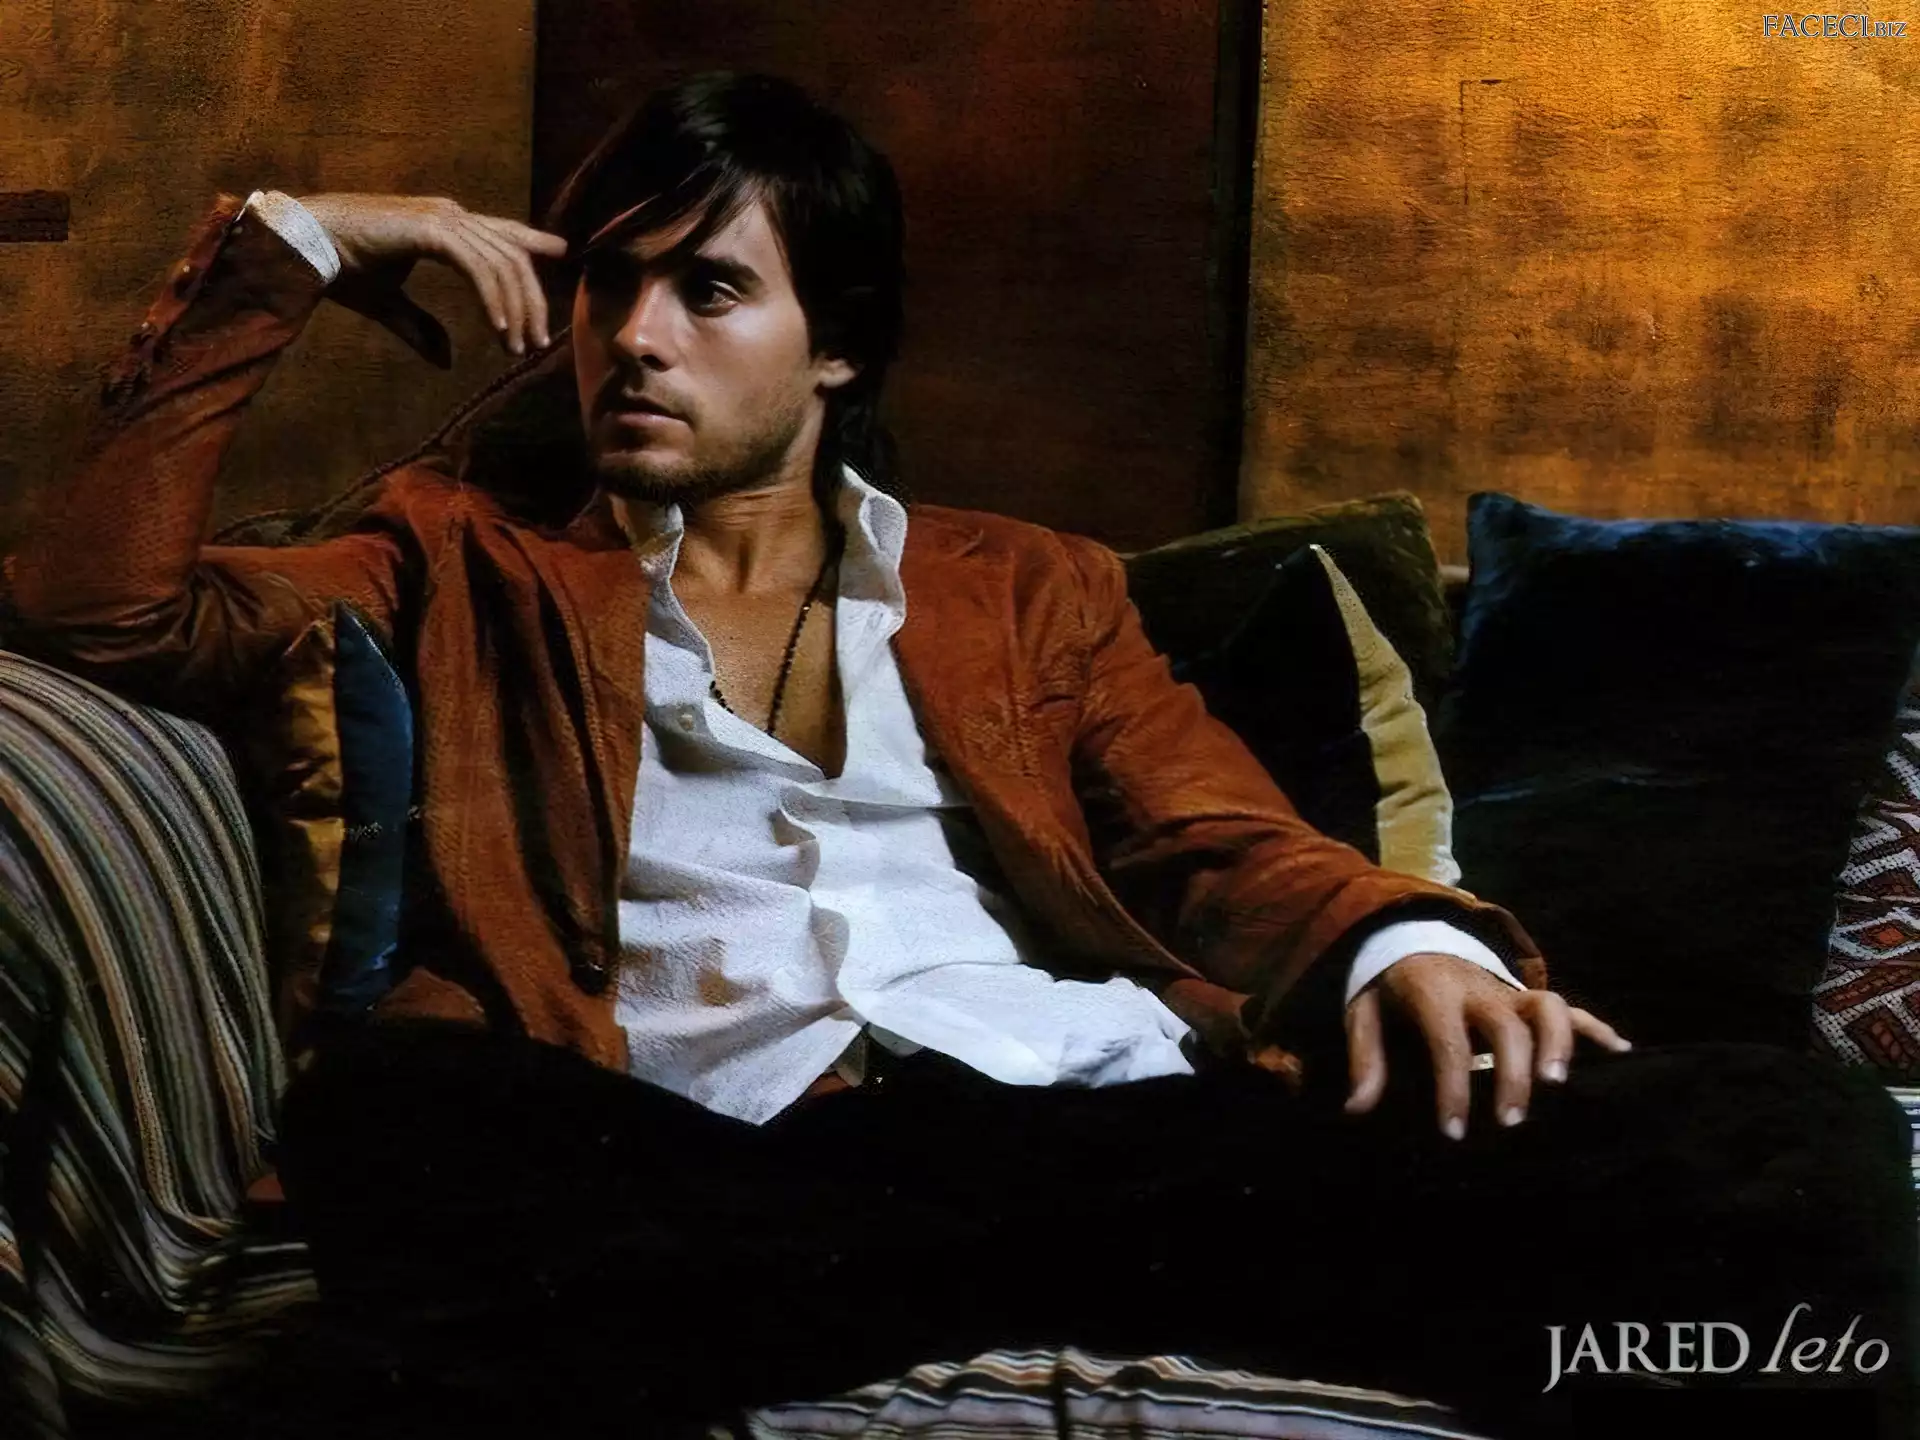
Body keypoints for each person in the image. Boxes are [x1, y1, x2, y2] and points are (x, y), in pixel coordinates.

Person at [6, 71, 1914, 1440]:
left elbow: (1212, 835)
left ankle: (847, 1292)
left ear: (837, 347)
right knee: (408, 1116)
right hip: (700, 1145)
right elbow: (92, 613)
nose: (633, 339)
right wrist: (295, 246)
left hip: (1069, 1124)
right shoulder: (453, 551)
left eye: (709, 289)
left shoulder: (1032, 587)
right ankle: (1093, 1275)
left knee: (1785, 1133)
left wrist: (1399, 942)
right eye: (606, 284)